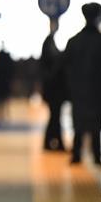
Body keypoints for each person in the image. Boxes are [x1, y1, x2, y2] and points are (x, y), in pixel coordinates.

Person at [64, 3, 101, 167]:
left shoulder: (73, 41)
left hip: (77, 91)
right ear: (97, 17)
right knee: (96, 125)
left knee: (78, 123)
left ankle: (76, 155)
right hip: (96, 90)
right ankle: (97, 156)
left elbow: (63, 65)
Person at [40, 19, 68, 151]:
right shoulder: (49, 42)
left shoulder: (49, 41)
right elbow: (54, 65)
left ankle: (54, 142)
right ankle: (53, 142)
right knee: (55, 116)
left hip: (52, 89)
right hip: (54, 89)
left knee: (55, 116)